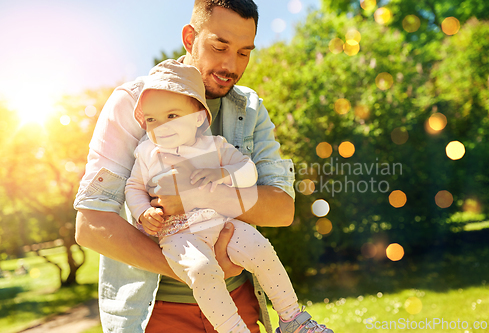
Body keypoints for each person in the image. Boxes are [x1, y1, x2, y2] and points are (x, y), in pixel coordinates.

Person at [74, 1, 298, 332]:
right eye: (219, 47)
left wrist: (198, 196)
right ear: (190, 37)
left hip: (241, 302)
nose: (230, 65)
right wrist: (199, 270)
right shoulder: (132, 104)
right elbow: (91, 224)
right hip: (156, 314)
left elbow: (281, 209)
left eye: (243, 53)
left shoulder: (250, 109)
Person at [124, 60, 334, 333]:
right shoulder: (147, 153)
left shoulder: (214, 147)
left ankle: (292, 318)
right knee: (202, 271)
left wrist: (222, 173)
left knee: (261, 249)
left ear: (198, 116)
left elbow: (249, 172)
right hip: (179, 235)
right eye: (151, 119)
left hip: (222, 224)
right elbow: (133, 187)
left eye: (172, 116)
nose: (160, 126)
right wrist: (143, 212)